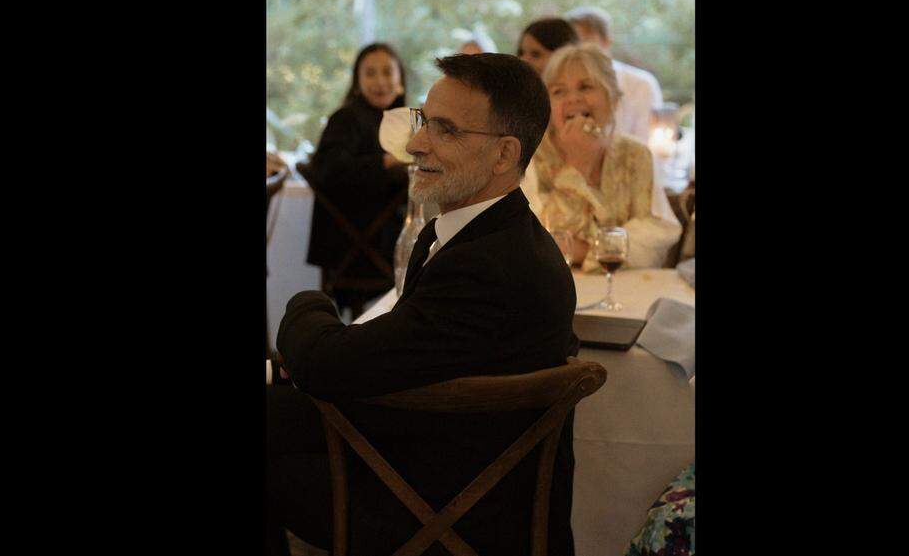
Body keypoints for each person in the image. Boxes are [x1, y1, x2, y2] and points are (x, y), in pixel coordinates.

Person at [268, 53, 580, 556]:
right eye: (423, 121)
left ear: (504, 155)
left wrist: (308, 302)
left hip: (449, 510)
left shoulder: (487, 264)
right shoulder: (481, 232)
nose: (415, 144)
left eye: (446, 130)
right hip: (439, 460)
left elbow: (326, 365)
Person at [523, 43, 681, 270]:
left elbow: (657, 235)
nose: (573, 99)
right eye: (559, 91)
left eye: (585, 87)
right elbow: (539, 241)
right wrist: (577, 166)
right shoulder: (529, 156)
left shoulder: (635, 154)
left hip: (626, 287)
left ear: (613, 97)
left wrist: (588, 251)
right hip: (551, 286)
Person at [304, 43, 411, 315]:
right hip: (356, 245)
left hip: (381, 237)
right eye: (370, 73)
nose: (380, 82)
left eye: (388, 72)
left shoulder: (401, 120)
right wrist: (387, 161)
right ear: (357, 81)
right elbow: (330, 170)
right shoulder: (346, 119)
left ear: (400, 78)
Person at [566, 6, 664, 144]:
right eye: (572, 44)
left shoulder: (641, 84)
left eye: (586, 43)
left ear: (606, 41)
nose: (579, 51)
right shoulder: (562, 86)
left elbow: (648, 142)